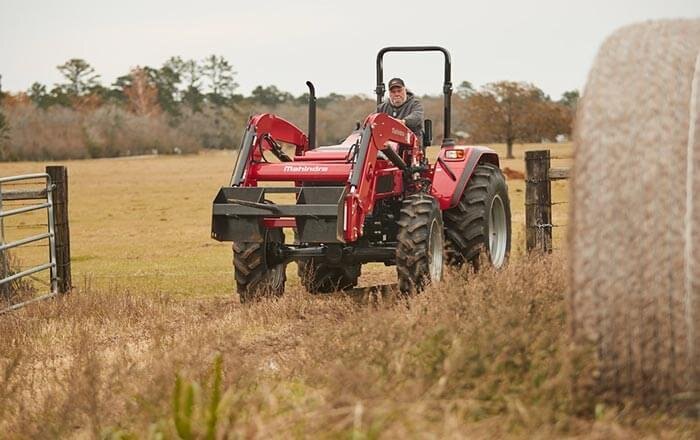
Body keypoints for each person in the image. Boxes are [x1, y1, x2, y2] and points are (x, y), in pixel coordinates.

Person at [376, 78, 425, 142]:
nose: (396, 94)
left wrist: (403, 122)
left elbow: (417, 117)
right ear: (389, 93)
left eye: (399, 91)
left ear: (405, 90)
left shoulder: (415, 104)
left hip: (411, 143)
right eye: (393, 92)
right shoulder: (382, 108)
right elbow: (374, 120)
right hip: (388, 143)